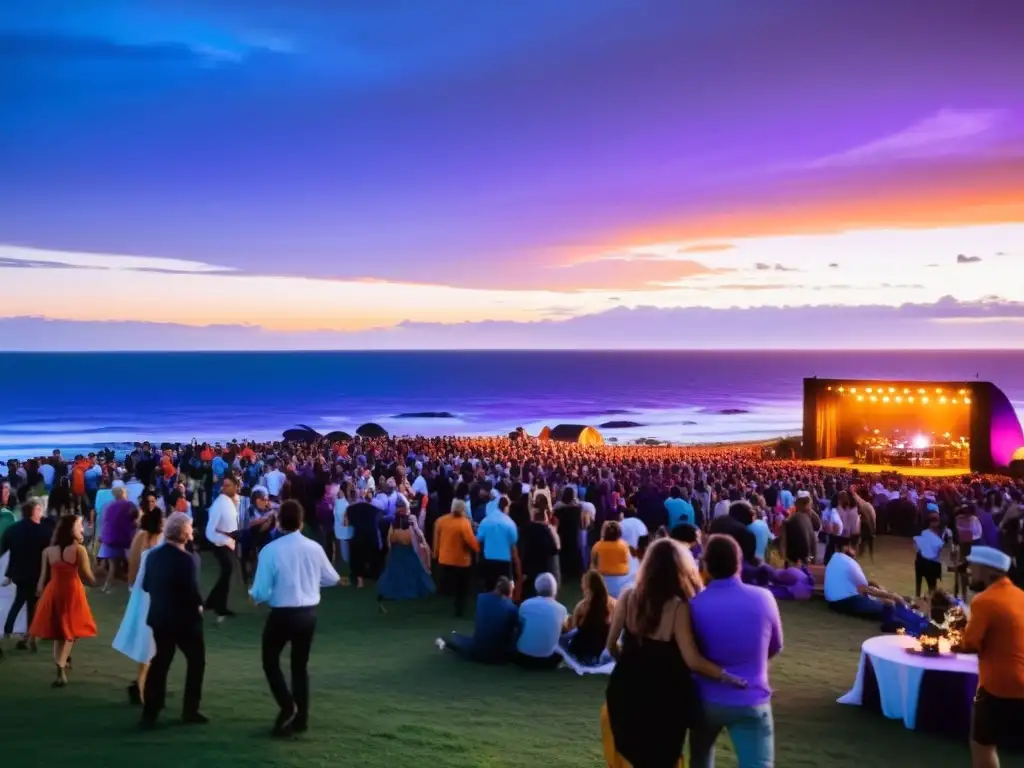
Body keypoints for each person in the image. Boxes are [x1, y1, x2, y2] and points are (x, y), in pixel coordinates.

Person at [603, 538, 746, 768]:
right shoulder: (679, 607)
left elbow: (611, 645)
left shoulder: (628, 597)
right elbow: (693, 660)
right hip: (666, 696)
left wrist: (628, 664)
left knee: (632, 756)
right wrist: (727, 676)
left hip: (626, 691)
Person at [249, 499, 342, 737]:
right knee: (299, 666)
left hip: (282, 614)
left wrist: (255, 596)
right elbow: (332, 578)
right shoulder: (314, 548)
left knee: (270, 660)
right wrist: (310, 580)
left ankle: (287, 705)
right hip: (308, 614)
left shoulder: (271, 550)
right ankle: (301, 719)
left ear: (279, 523)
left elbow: (260, 590)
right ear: (300, 522)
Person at [688, 535, 783, 768]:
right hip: (752, 698)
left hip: (705, 700)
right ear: (739, 563)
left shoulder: (695, 604)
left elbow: (691, 654)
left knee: (700, 760)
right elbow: (776, 646)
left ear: (706, 566)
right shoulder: (764, 598)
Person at [141, 512, 207, 729]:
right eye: (189, 527)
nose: (192, 531)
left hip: (160, 617)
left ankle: (151, 711)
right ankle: (190, 710)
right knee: (196, 662)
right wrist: (199, 606)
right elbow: (192, 592)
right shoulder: (187, 560)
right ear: (182, 532)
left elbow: (146, 586)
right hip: (185, 620)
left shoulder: (152, 556)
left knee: (161, 662)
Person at [960, 546, 1024, 766]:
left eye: (973, 566)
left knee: (982, 745)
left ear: (987, 571)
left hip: (1000, 686)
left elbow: (970, 644)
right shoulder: (1020, 595)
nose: (969, 571)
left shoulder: (984, 601)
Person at [28, 514, 98, 687]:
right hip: (72, 592)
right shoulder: (79, 550)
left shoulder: (48, 551)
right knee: (71, 632)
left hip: (53, 590)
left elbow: (43, 577)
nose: (82, 529)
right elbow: (88, 577)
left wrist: (40, 592)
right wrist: (99, 580)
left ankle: (61, 664)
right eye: (79, 526)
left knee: (59, 632)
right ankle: (61, 664)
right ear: (71, 529)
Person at [112, 505, 164, 705]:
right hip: (152, 594)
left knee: (148, 639)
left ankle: (143, 683)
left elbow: (132, 566)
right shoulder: (157, 540)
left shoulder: (140, 537)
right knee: (150, 640)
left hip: (142, 591)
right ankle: (142, 684)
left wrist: (132, 588)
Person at [1, 499, 51, 654]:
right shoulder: (44, 532)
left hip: (19, 574)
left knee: (20, 601)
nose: (42, 513)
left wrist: (9, 573)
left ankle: (11, 631)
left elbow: (4, 550)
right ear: (36, 510)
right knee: (32, 605)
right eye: (41, 509)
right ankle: (28, 635)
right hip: (36, 574)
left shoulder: (13, 530)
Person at [438, 576, 519, 664]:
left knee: (460, 640)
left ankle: (446, 641)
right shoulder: (512, 608)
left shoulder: (482, 598)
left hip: (478, 650)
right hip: (500, 656)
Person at [824, 537, 904, 623]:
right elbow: (867, 589)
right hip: (847, 602)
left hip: (832, 602)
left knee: (882, 597)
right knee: (889, 605)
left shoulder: (834, 558)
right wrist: (891, 596)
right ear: (846, 547)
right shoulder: (849, 562)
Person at [376, 499, 435, 613]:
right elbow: (418, 531)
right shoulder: (409, 518)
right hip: (407, 549)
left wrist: (390, 548)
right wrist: (424, 542)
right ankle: (412, 591)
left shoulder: (394, 520)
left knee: (395, 572)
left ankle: (394, 592)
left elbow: (389, 538)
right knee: (413, 571)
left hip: (397, 550)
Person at [432, 499, 480, 617]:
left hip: (444, 559)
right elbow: (471, 542)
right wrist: (478, 549)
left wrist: (435, 553)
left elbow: (435, 539)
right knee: (462, 587)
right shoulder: (464, 523)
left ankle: (444, 596)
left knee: (448, 582)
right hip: (461, 561)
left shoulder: (441, 521)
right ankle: (459, 609)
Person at [512, 573, 567, 670]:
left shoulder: (525, 604)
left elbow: (518, 627)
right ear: (555, 588)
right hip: (549, 661)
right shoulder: (561, 609)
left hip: (523, 659)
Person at [205, 474, 240, 621]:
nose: (224, 488)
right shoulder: (220, 503)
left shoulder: (232, 501)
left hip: (227, 544)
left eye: (228, 485)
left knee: (226, 573)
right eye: (224, 485)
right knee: (227, 571)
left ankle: (212, 603)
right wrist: (225, 540)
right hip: (220, 544)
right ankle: (219, 607)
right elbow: (210, 531)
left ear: (235, 487)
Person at [561, 570, 615, 666]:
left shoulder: (582, 607)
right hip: (604, 648)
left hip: (583, 651)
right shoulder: (613, 604)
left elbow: (574, 630)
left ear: (587, 587)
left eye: (582, 582)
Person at [476, 495, 519, 591]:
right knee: (505, 588)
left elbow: (479, 538)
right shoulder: (510, 523)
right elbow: (514, 540)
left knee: (490, 586)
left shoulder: (486, 521)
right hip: (504, 560)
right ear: (506, 507)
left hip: (489, 558)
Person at [591, 520, 632, 597]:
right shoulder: (624, 545)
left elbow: (593, 565)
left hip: (603, 582)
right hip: (621, 583)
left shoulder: (597, 546)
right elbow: (628, 563)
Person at [913, 512, 949, 598]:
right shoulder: (929, 533)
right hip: (928, 563)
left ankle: (925, 596)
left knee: (931, 585)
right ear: (930, 522)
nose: (937, 523)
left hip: (925, 562)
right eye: (935, 521)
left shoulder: (937, 533)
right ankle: (927, 597)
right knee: (932, 585)